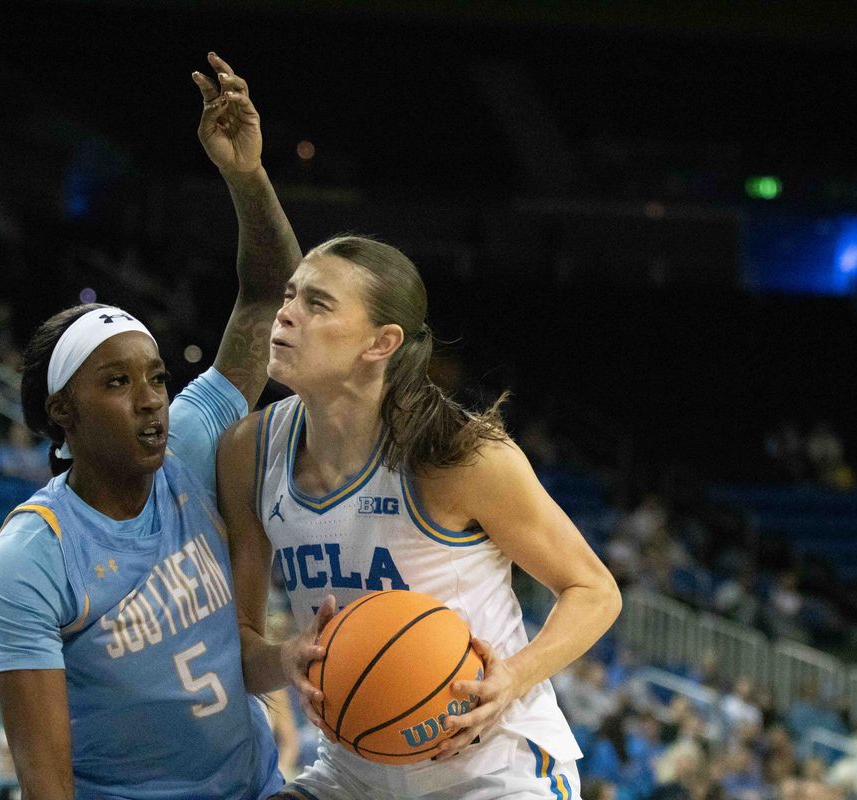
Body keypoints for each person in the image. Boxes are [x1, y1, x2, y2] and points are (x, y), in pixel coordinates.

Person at [0, 54, 302, 799]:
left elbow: (265, 295)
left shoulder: (189, 438)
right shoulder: (32, 556)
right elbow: (44, 779)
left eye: (156, 377)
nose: (152, 398)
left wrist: (246, 176)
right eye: (118, 384)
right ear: (63, 410)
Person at [217, 234, 624, 798]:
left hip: (492, 771)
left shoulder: (460, 457)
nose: (286, 313)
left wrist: (514, 677)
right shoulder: (248, 451)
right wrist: (286, 659)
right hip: (351, 774)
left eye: (317, 303)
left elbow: (595, 591)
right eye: (289, 296)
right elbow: (238, 652)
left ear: (381, 342)